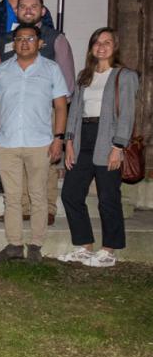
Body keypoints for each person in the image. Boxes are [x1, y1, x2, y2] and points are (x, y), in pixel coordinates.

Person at [0, 24, 68, 262]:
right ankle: (13, 246)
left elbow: (61, 107)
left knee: (38, 196)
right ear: (14, 43)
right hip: (7, 143)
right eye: (19, 38)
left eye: (29, 38)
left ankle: (35, 246)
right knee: (11, 197)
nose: (24, 42)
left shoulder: (51, 70)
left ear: (39, 42)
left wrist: (58, 138)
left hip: (40, 142)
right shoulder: (2, 70)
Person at [59, 28, 138, 268]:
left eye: (107, 42)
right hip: (83, 138)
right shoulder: (85, 75)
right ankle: (84, 246)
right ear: (92, 47)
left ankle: (109, 250)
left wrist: (118, 146)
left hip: (108, 139)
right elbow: (74, 111)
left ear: (115, 46)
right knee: (71, 194)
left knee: (108, 198)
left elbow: (127, 114)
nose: (101, 46)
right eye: (97, 42)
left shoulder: (124, 75)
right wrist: (69, 142)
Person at [0, 0, 75, 207]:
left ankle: (46, 206)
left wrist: (58, 122)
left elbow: (67, 86)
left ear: (43, 11)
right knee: (14, 161)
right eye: (23, 6)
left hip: (44, 112)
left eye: (33, 6)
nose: (28, 10)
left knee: (45, 162)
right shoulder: (4, 40)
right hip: (9, 111)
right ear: (16, 11)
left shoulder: (55, 39)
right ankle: (19, 208)